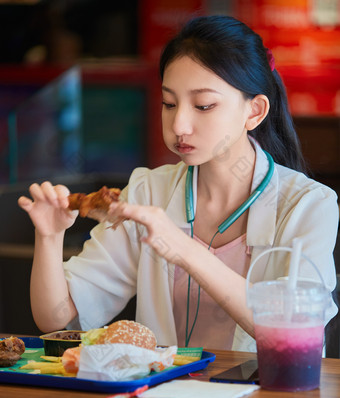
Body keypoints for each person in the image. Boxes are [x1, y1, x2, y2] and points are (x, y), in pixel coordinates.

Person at [18, 15, 338, 352]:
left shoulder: (308, 204)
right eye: (169, 103)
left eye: (203, 105)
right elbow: (57, 319)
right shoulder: (147, 191)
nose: (179, 124)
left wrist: (184, 250)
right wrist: (50, 238)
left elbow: (296, 338)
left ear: (254, 112)